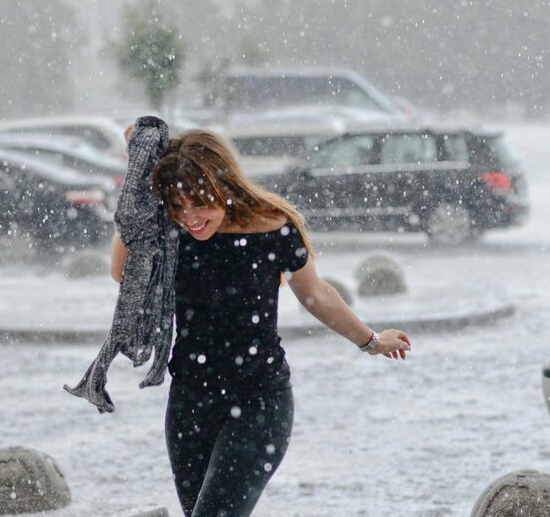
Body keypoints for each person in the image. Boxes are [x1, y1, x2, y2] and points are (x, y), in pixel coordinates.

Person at [111, 126, 412, 517]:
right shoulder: (171, 232)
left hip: (259, 401)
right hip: (190, 402)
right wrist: (139, 181)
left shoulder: (272, 227)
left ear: (223, 184)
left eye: (200, 203)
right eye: (178, 206)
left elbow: (315, 294)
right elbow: (122, 272)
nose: (191, 218)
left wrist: (371, 341)